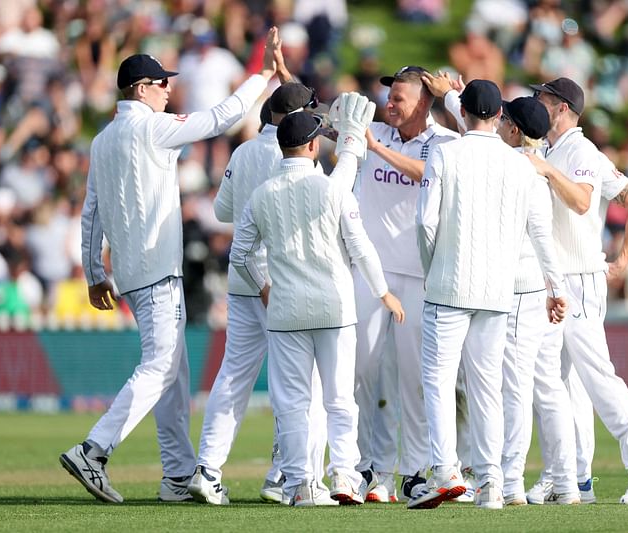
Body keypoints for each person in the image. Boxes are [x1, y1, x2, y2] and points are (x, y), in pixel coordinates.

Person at [59, 28, 283, 504]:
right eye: (161, 83)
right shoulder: (151, 126)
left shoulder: (101, 140)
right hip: (158, 271)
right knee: (162, 367)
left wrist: (94, 272)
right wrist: (261, 76)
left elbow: (91, 211)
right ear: (141, 89)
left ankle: (178, 476)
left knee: (173, 372)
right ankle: (94, 450)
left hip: (132, 274)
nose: (168, 89)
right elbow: (222, 117)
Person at [230, 98, 406, 506]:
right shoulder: (332, 190)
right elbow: (360, 249)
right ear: (312, 147)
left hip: (286, 311)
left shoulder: (262, 195)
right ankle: (344, 476)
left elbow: (239, 255)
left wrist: (262, 286)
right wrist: (383, 292)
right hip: (334, 307)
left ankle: (299, 484)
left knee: (292, 403)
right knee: (340, 398)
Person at [410, 80, 567, 510]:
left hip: (448, 286)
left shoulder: (445, 152)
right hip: (498, 293)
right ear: (499, 116)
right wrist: (557, 286)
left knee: (439, 382)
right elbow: (540, 229)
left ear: (461, 112)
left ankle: (445, 472)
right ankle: (492, 485)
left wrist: (431, 270)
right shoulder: (523, 165)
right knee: (486, 387)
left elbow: (425, 224)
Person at [188, 82, 336, 506]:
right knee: (301, 385)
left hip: (243, 279)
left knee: (233, 375)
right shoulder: (300, 159)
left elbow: (221, 212)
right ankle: (285, 477)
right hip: (287, 282)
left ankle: (208, 469)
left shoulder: (244, 151)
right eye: (310, 112)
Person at [525, 77, 628, 505]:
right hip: (556, 281)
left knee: (597, 376)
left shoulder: (580, 151)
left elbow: (591, 203)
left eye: (543, 98)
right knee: (565, 384)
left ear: (563, 107)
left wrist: (622, 261)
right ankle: (576, 478)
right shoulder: (551, 148)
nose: (536, 102)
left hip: (581, 279)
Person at [353, 65, 459, 503]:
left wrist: (375, 147)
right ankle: (366, 471)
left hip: (419, 276)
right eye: (388, 97)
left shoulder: (445, 143)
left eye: (398, 98)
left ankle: (415, 472)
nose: (388, 105)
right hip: (370, 274)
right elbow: (314, 116)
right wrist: (282, 74)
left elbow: (425, 171)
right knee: (362, 373)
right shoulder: (375, 130)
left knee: (415, 381)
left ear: (423, 101)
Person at [494, 96, 582, 505]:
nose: (496, 124)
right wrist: (556, 288)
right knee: (548, 389)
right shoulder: (537, 158)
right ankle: (566, 484)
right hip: (541, 289)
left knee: (515, 388)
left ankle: (510, 481)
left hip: (523, 289)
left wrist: (555, 288)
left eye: (503, 120)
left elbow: (540, 235)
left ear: (513, 129)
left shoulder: (519, 168)